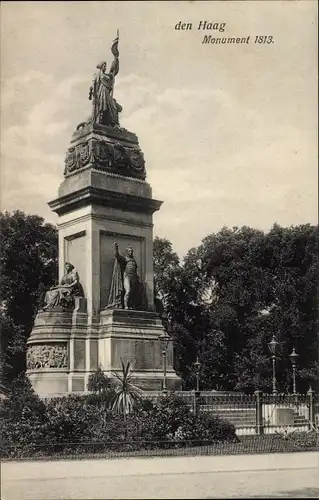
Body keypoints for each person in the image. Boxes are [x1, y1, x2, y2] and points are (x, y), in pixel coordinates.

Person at [89, 61, 122, 126]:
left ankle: (111, 121)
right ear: (101, 67)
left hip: (106, 92)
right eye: (104, 66)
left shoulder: (107, 75)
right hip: (101, 92)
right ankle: (99, 120)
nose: (105, 67)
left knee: (110, 105)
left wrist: (116, 60)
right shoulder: (98, 74)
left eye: (106, 66)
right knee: (102, 105)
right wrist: (92, 93)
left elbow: (114, 71)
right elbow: (94, 84)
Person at [114, 242, 141, 309]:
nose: (131, 252)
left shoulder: (134, 261)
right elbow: (117, 256)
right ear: (127, 252)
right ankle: (126, 306)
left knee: (133, 293)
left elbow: (136, 270)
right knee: (128, 291)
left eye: (132, 251)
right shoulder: (125, 258)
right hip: (127, 276)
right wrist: (116, 248)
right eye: (129, 251)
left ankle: (131, 305)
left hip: (134, 277)